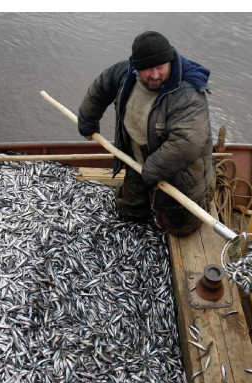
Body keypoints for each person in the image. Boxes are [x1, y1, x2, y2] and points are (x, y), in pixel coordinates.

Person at [77, 31, 216, 236]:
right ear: (136, 67)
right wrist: (88, 121)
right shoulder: (124, 74)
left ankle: (202, 188)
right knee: (129, 211)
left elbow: (187, 143)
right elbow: (101, 88)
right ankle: (142, 198)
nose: (155, 75)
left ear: (170, 62)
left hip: (179, 174)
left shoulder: (187, 94)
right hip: (137, 161)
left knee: (179, 229)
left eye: (160, 68)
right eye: (148, 69)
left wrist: (151, 171)